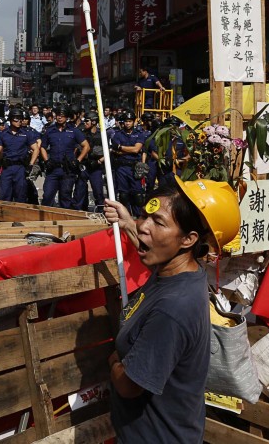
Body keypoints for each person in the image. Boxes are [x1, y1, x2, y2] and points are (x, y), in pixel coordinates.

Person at [104, 178, 241, 443]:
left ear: (189, 239)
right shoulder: (183, 272)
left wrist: (112, 362)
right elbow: (148, 242)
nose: (144, 226)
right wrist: (128, 223)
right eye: (145, 215)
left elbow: (129, 385)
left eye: (158, 222)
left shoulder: (172, 310)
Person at [40, 107, 89, 209]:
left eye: (62, 116)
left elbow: (86, 146)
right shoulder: (49, 131)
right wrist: (46, 161)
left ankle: (65, 222)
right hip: (53, 169)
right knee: (47, 195)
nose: (59, 118)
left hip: (68, 170)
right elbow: (42, 147)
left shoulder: (74, 131)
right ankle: (44, 221)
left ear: (66, 117)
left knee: (65, 197)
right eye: (58, 115)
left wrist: (78, 160)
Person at [0, 111, 39, 203]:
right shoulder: (3, 134)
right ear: (10, 120)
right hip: (7, 168)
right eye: (16, 119)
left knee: (20, 196)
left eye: (21, 119)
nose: (19, 121)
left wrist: (30, 165)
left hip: (20, 168)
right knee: (4, 196)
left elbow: (36, 149)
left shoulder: (26, 133)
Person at [111, 112, 146, 210]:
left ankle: (138, 215)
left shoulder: (139, 134)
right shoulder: (117, 135)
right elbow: (116, 151)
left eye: (130, 121)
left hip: (135, 167)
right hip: (122, 167)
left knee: (138, 195)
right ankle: (126, 214)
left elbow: (137, 149)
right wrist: (130, 150)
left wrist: (121, 147)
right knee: (123, 195)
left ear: (134, 122)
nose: (127, 124)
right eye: (126, 121)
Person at [74, 113, 106, 211]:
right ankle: (80, 211)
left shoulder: (102, 135)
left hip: (96, 166)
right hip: (83, 165)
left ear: (94, 122)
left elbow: (108, 151)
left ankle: (101, 210)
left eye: (87, 121)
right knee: (80, 190)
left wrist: (99, 161)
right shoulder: (81, 134)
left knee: (98, 191)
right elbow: (76, 148)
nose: (85, 123)